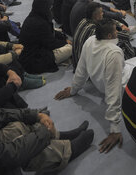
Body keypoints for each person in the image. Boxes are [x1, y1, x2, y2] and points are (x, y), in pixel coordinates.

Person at [0, 83, 94, 175]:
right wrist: (44, 132)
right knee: (27, 151)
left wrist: (35, 115)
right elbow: (8, 155)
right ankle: (67, 150)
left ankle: (58, 136)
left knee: (16, 127)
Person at [54, 19, 129, 153]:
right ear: (110, 36)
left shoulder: (90, 41)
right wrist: (115, 129)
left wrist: (74, 89)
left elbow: (81, 70)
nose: (118, 32)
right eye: (115, 30)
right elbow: (113, 91)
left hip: (100, 85)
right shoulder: (115, 53)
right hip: (122, 88)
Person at [19, 0, 72, 74]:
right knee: (70, 48)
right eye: (49, 8)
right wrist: (65, 42)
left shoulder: (34, 16)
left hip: (31, 53)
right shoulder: (40, 23)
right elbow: (51, 44)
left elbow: (50, 33)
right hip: (34, 60)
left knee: (58, 32)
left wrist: (63, 38)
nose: (51, 10)